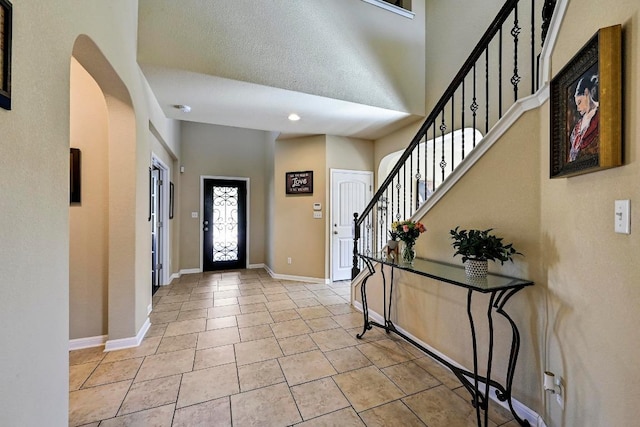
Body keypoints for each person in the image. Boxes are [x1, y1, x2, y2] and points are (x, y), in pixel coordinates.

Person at [568, 74, 599, 162]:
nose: (578, 108)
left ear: (586, 93)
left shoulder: (600, 116)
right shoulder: (578, 126)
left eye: (579, 102)